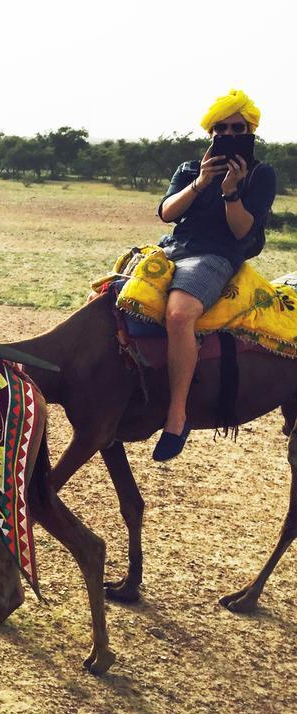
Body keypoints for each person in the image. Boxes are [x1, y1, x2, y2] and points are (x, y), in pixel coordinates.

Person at [153, 89, 276, 460]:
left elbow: (242, 233)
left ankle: (177, 414)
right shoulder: (191, 169)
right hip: (172, 248)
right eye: (221, 128)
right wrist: (201, 183)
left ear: (250, 130)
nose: (230, 133)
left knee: (179, 313)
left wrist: (229, 192)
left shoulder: (260, 175)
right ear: (211, 133)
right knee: (112, 297)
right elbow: (167, 214)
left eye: (238, 127)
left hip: (216, 255)